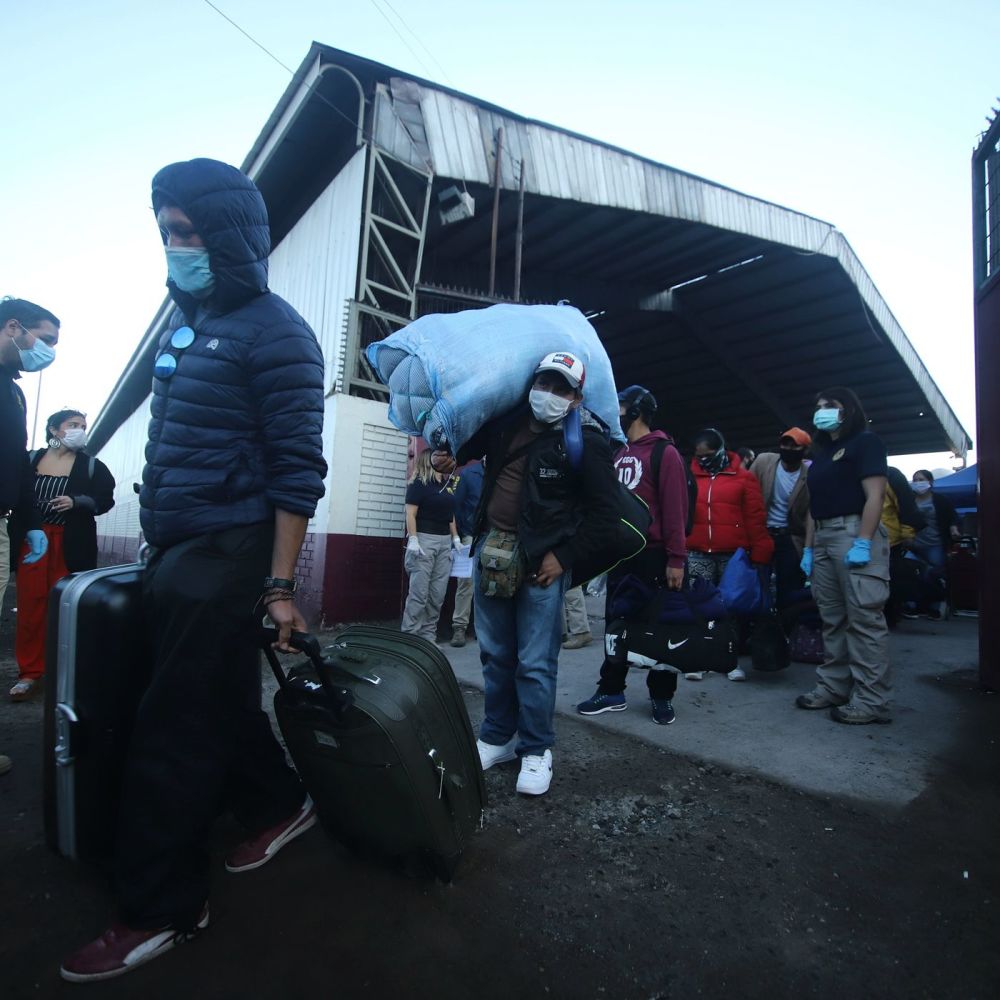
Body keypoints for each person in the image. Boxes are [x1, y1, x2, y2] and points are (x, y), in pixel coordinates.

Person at [61, 159, 328, 982]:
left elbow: (295, 474)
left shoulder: (278, 332)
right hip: (178, 547)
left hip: (230, 548)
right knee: (209, 691)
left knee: (169, 722)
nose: (175, 249)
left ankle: (162, 907)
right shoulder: (191, 324)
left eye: (187, 233)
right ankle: (282, 802)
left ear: (230, 236)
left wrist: (280, 588)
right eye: (166, 233)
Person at [456, 351, 618, 797]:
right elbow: (462, 447)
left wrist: (563, 557)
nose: (548, 394)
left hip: (542, 568)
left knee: (534, 663)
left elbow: (607, 516)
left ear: (576, 397)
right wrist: (445, 454)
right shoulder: (502, 424)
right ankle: (497, 737)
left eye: (560, 388)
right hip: (492, 552)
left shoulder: (585, 441)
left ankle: (536, 749)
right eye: (543, 382)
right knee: (495, 656)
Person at [576, 385, 689, 723]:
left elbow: (675, 510)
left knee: (662, 629)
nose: (616, 411)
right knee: (616, 626)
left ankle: (661, 696)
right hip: (620, 557)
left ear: (637, 410)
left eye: (622, 406)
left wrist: (676, 559)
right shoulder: (616, 452)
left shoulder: (664, 453)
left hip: (654, 556)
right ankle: (611, 689)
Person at [795, 387, 890, 725]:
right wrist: (808, 547)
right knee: (832, 619)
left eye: (830, 406)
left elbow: (874, 496)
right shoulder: (822, 454)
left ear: (847, 410)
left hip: (853, 533)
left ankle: (870, 699)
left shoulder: (866, 443)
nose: (821, 411)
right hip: (823, 536)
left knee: (864, 620)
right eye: (818, 406)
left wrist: (863, 541)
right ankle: (834, 687)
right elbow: (813, 507)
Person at [9, 409, 115, 701]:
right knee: (31, 608)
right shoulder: (31, 460)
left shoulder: (92, 466)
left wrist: (78, 501)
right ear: (55, 430)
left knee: (68, 607)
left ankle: (66, 673)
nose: (79, 430)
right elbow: (15, 493)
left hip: (71, 543)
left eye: (83, 425)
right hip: (34, 541)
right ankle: (30, 673)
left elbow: (106, 499)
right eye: (72, 425)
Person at [0, 296, 61, 777]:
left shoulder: (13, 391)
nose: (49, 351)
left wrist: (27, 522)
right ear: (14, 327)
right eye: (46, 340)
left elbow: (16, 466)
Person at [686, 428, 773, 682]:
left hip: (732, 555)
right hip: (697, 552)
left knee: (730, 611)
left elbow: (755, 518)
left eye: (708, 454)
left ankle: (728, 660)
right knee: (699, 608)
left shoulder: (744, 478)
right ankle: (698, 658)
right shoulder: (689, 477)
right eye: (698, 455)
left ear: (722, 450)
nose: (703, 459)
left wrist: (760, 552)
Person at [749, 428, 811, 611]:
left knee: (789, 591)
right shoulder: (764, 462)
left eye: (795, 446)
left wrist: (809, 549)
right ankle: (757, 631)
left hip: (791, 537)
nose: (789, 448)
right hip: (763, 535)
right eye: (785, 444)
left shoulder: (809, 474)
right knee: (756, 586)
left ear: (805, 450)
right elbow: (747, 492)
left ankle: (786, 631)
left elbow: (811, 514)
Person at [402, 449, 461, 642]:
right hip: (424, 539)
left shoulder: (445, 485)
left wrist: (456, 539)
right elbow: (410, 513)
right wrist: (413, 539)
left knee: (437, 595)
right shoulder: (418, 484)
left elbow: (450, 514)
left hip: (445, 542)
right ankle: (410, 638)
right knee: (419, 594)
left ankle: (428, 638)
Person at [907, 469, 960, 620]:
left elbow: (953, 517)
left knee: (933, 575)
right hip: (912, 544)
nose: (918, 482)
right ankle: (912, 606)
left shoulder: (941, 500)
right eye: (915, 479)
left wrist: (953, 527)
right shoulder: (909, 501)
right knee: (912, 573)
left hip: (934, 544)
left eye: (921, 479)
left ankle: (934, 607)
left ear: (930, 481)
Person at [450, 458, 484, 647]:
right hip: (470, 536)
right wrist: (461, 535)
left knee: (488, 586)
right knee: (466, 584)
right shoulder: (468, 474)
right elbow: (456, 506)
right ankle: (459, 628)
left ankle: (482, 629)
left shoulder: (501, 471)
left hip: (492, 536)